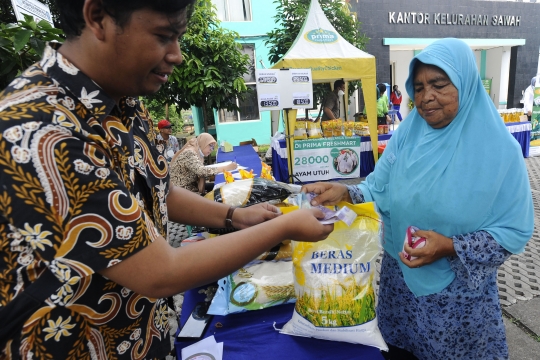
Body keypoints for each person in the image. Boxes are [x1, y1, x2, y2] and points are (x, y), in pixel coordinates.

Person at [0, 1, 333, 359]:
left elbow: (157, 189)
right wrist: (282, 228)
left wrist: (235, 217)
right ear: (98, 18)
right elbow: (159, 273)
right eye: (163, 36)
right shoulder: (42, 131)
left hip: (143, 336)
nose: (177, 55)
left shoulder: (124, 100)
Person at [302, 38, 534, 360]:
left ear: (465, 84)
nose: (426, 98)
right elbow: (379, 187)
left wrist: (450, 246)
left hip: (456, 305)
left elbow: (513, 232)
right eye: (419, 86)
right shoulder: (410, 132)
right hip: (400, 287)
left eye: (438, 85)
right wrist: (346, 192)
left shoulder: (500, 152)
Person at [170, 133, 237, 194]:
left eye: (213, 147)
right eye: (210, 146)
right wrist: (226, 167)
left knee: (223, 187)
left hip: (190, 186)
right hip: (183, 192)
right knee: (222, 192)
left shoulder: (197, 151)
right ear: (203, 143)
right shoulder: (189, 153)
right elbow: (201, 171)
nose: (211, 149)